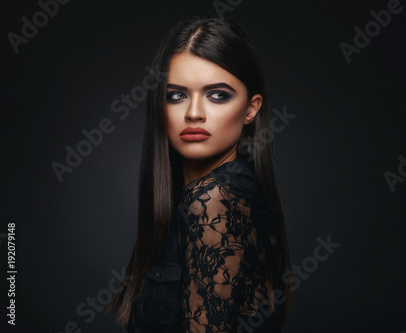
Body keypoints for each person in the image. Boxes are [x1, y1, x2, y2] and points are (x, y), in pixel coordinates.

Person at [107, 16, 293, 332]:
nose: (193, 112)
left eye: (217, 94)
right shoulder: (202, 199)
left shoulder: (216, 200)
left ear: (251, 108)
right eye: (177, 95)